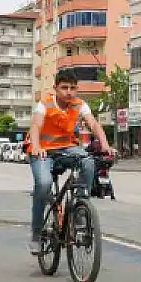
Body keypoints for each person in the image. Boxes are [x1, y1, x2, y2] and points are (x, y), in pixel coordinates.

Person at [27, 69, 110, 254]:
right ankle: (36, 233)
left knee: (88, 161)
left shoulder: (80, 104)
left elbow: (94, 124)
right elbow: (35, 126)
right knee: (44, 184)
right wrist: (36, 146)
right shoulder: (45, 104)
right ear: (55, 88)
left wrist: (105, 144)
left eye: (73, 88)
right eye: (64, 88)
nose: (69, 92)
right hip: (42, 151)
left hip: (67, 148)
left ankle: (81, 209)